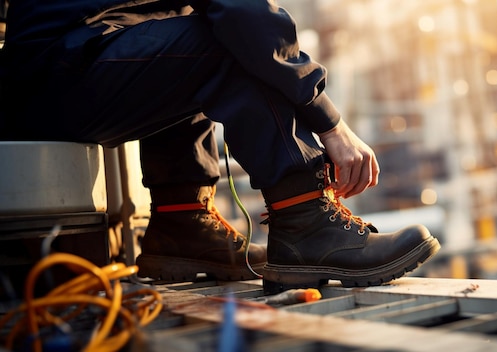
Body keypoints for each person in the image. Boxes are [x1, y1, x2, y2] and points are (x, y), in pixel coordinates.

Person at [0, 0, 440, 292]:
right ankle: (306, 222)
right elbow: (243, 14)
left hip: (48, 70)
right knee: (229, 41)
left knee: (182, 30)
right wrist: (330, 123)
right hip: (55, 70)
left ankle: (182, 222)